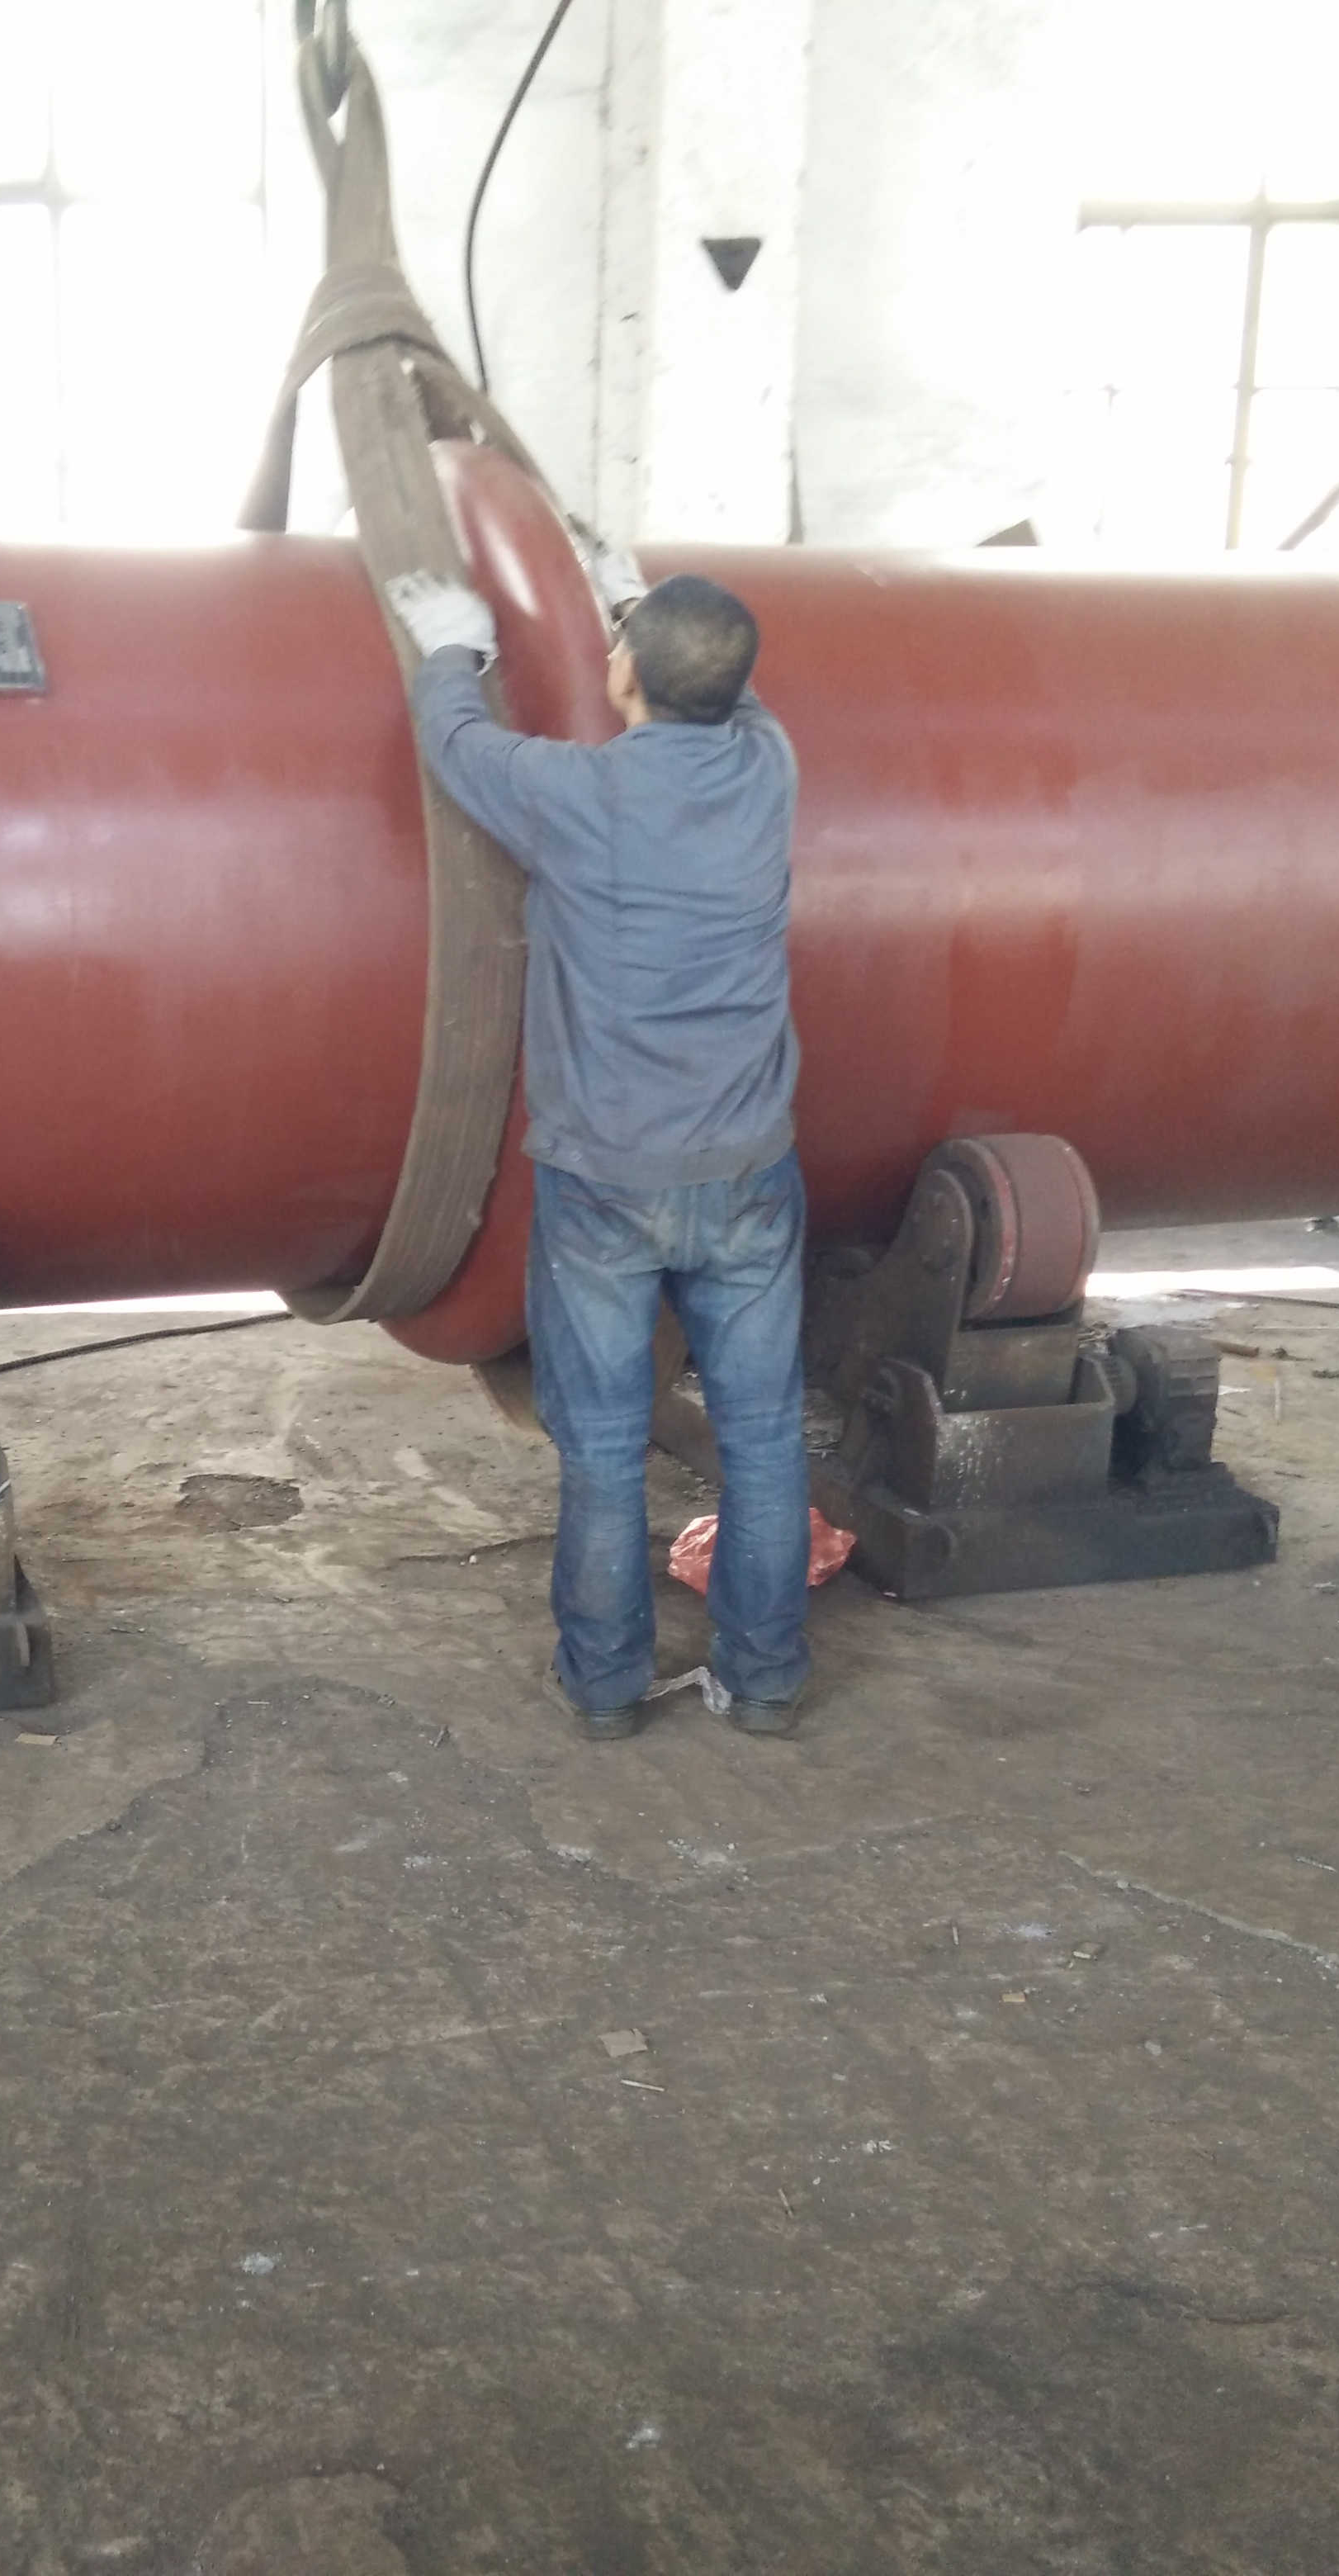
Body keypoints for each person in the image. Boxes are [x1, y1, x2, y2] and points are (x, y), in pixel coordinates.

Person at [386, 566, 810, 1741]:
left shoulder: (576, 794)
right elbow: (729, 688)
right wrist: (640, 607)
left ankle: (608, 1687)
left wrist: (453, 645)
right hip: (748, 1174)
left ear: (625, 676)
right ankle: (764, 1683)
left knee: (607, 1448)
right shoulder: (770, 767)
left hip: (607, 1186)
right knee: (763, 1438)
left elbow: (455, 742)